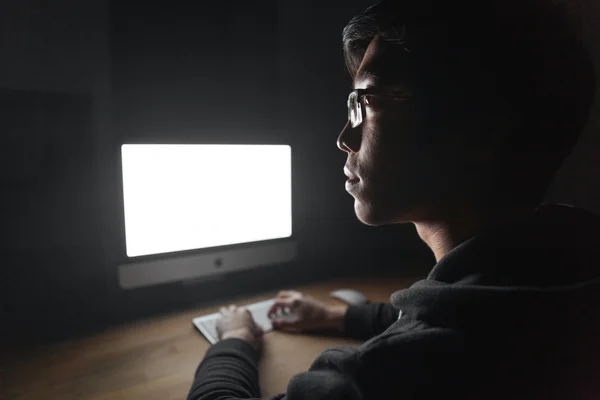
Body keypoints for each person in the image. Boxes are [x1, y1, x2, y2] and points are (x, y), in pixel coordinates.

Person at [188, 0, 600, 399]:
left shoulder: (388, 377)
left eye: (365, 101)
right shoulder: (567, 270)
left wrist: (237, 338)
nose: (345, 138)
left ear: (471, 128)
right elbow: (468, 311)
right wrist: (341, 315)